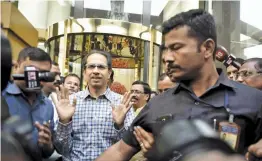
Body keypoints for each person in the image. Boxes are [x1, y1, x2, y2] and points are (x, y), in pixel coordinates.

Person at [95, 9, 262, 161]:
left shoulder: (254, 101)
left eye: (176, 48)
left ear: (207, 48)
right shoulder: (157, 105)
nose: (167, 58)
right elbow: (119, 151)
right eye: (164, 50)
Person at [53, 50, 135, 161]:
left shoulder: (122, 104)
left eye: (101, 67)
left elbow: (131, 148)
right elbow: (62, 150)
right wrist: (64, 122)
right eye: (91, 66)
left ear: (109, 73)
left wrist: (120, 126)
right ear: (84, 72)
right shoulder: (70, 102)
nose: (96, 71)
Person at [2, 47, 55, 158]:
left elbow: (46, 153)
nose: (36, 78)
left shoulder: (48, 105)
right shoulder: (2, 96)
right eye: (32, 71)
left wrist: (47, 145)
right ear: (16, 67)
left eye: (43, 73)